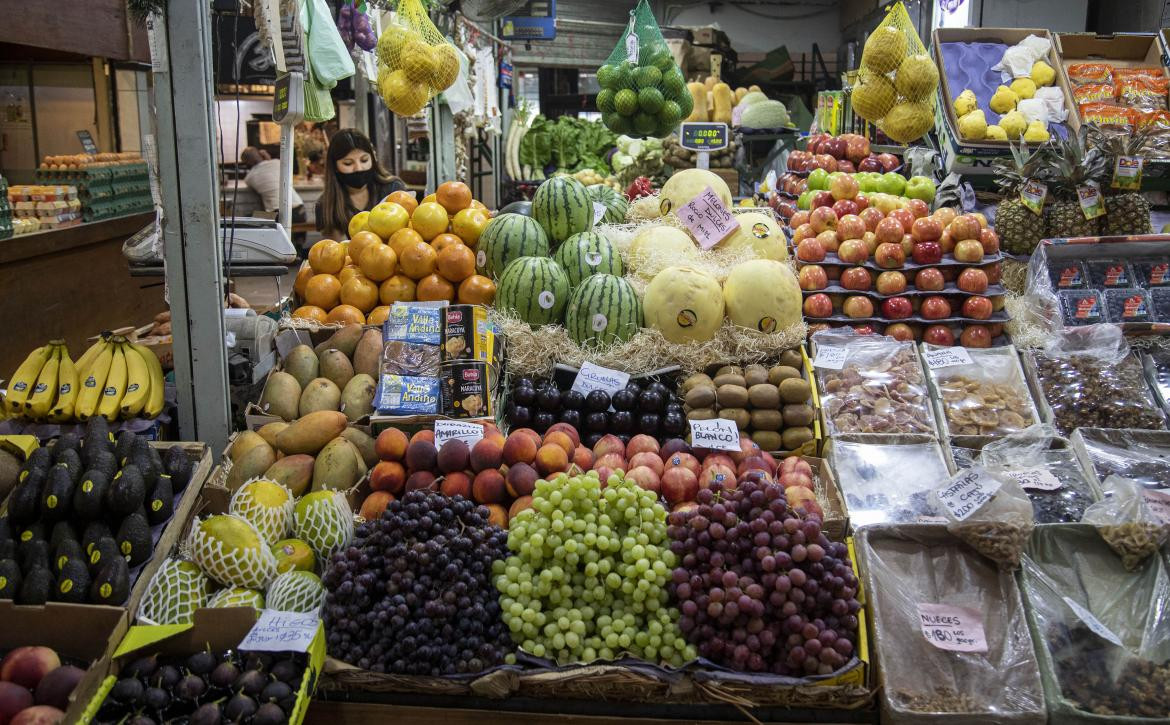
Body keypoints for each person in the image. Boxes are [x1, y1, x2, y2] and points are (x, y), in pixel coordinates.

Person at [315, 128, 406, 239]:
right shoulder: (326, 206)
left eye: (364, 160)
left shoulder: (393, 189)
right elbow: (337, 251)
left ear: (373, 159)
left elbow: (406, 236)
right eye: (348, 163)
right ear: (335, 167)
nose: (358, 168)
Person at [240, 146, 307, 252]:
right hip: (300, 210)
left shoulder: (249, 178)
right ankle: (298, 247)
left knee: (249, 217)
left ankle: (265, 250)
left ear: (247, 163)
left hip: (278, 214)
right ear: (261, 154)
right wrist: (267, 157)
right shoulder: (278, 163)